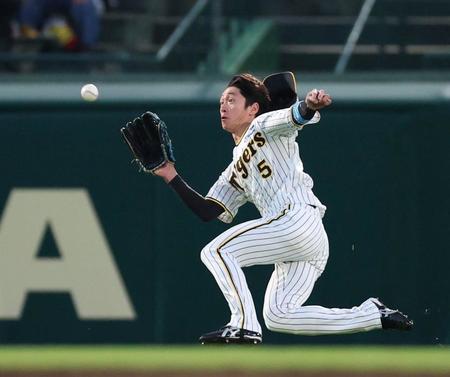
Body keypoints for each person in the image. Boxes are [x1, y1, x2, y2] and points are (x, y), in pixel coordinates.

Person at [153, 73, 413, 344]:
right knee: (279, 315)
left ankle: (242, 324)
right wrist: (170, 174)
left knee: (216, 251)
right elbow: (209, 211)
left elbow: (294, 117)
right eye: (221, 101)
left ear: (252, 108)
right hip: (305, 241)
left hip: (296, 218)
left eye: (231, 99)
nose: (223, 106)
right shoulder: (233, 169)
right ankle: (371, 315)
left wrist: (309, 105)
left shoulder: (262, 124)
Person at [18, 0, 101, 51]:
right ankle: (29, 34)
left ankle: (87, 47)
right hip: (45, 19)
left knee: (84, 5)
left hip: (75, 12)